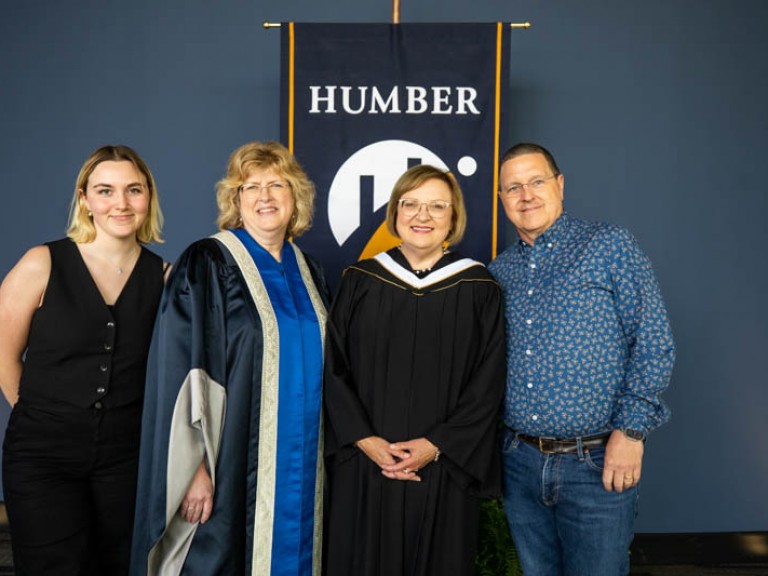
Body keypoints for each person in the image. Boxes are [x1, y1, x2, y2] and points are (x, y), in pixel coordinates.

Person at [129, 141, 328, 576]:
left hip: (306, 463)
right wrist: (193, 467)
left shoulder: (308, 270)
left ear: (296, 197)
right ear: (235, 199)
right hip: (232, 463)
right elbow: (181, 369)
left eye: (277, 185)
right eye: (250, 187)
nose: (265, 197)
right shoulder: (207, 263)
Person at [488, 142, 675, 576]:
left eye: (536, 182)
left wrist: (631, 432)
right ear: (501, 200)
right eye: (512, 188)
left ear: (560, 184)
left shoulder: (607, 245)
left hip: (594, 462)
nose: (526, 195)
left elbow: (653, 340)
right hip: (520, 462)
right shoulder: (499, 273)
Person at [323, 164, 506, 576]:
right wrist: (365, 440)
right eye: (411, 204)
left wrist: (437, 445)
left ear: (453, 218)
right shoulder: (359, 280)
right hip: (366, 464)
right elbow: (334, 368)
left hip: (443, 468)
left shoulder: (480, 288)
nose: (422, 216)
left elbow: (488, 380)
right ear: (395, 213)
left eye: (437, 206)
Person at [0, 145, 167, 575]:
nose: (121, 203)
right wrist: (38, 414)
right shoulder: (42, 263)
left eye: (133, 190)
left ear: (148, 197)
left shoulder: (165, 277)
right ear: (84, 199)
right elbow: (2, 352)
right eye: (105, 190)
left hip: (127, 458)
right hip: (42, 457)